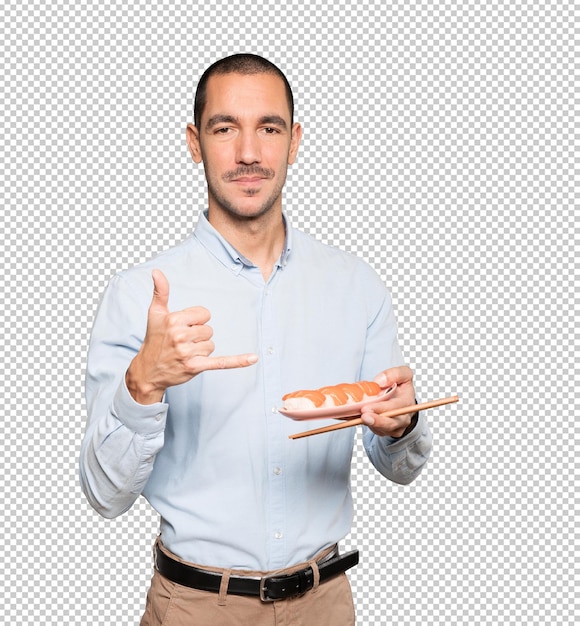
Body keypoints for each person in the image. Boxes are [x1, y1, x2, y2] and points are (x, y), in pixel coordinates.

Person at [79, 53, 432, 626]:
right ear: (195, 142)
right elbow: (104, 495)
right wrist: (142, 384)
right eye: (225, 129)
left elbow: (402, 467)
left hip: (325, 604)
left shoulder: (357, 286)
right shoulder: (138, 296)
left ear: (295, 141)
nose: (248, 153)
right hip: (195, 608)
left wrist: (404, 425)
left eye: (268, 128)